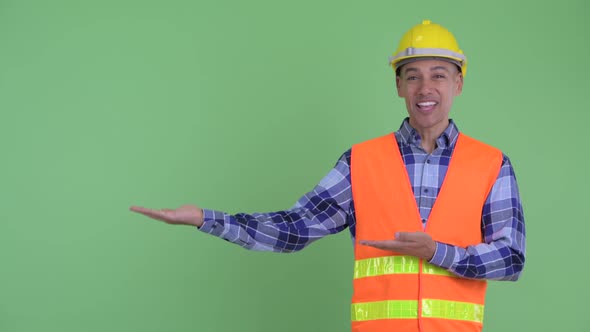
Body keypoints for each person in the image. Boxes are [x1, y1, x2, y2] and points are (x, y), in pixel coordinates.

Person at [130, 20, 526, 332]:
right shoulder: (361, 161)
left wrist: (437, 252)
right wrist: (206, 218)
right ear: (398, 86)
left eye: (439, 74)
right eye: (412, 75)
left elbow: (511, 258)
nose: (426, 86)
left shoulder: (490, 164)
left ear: (458, 82)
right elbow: (294, 228)